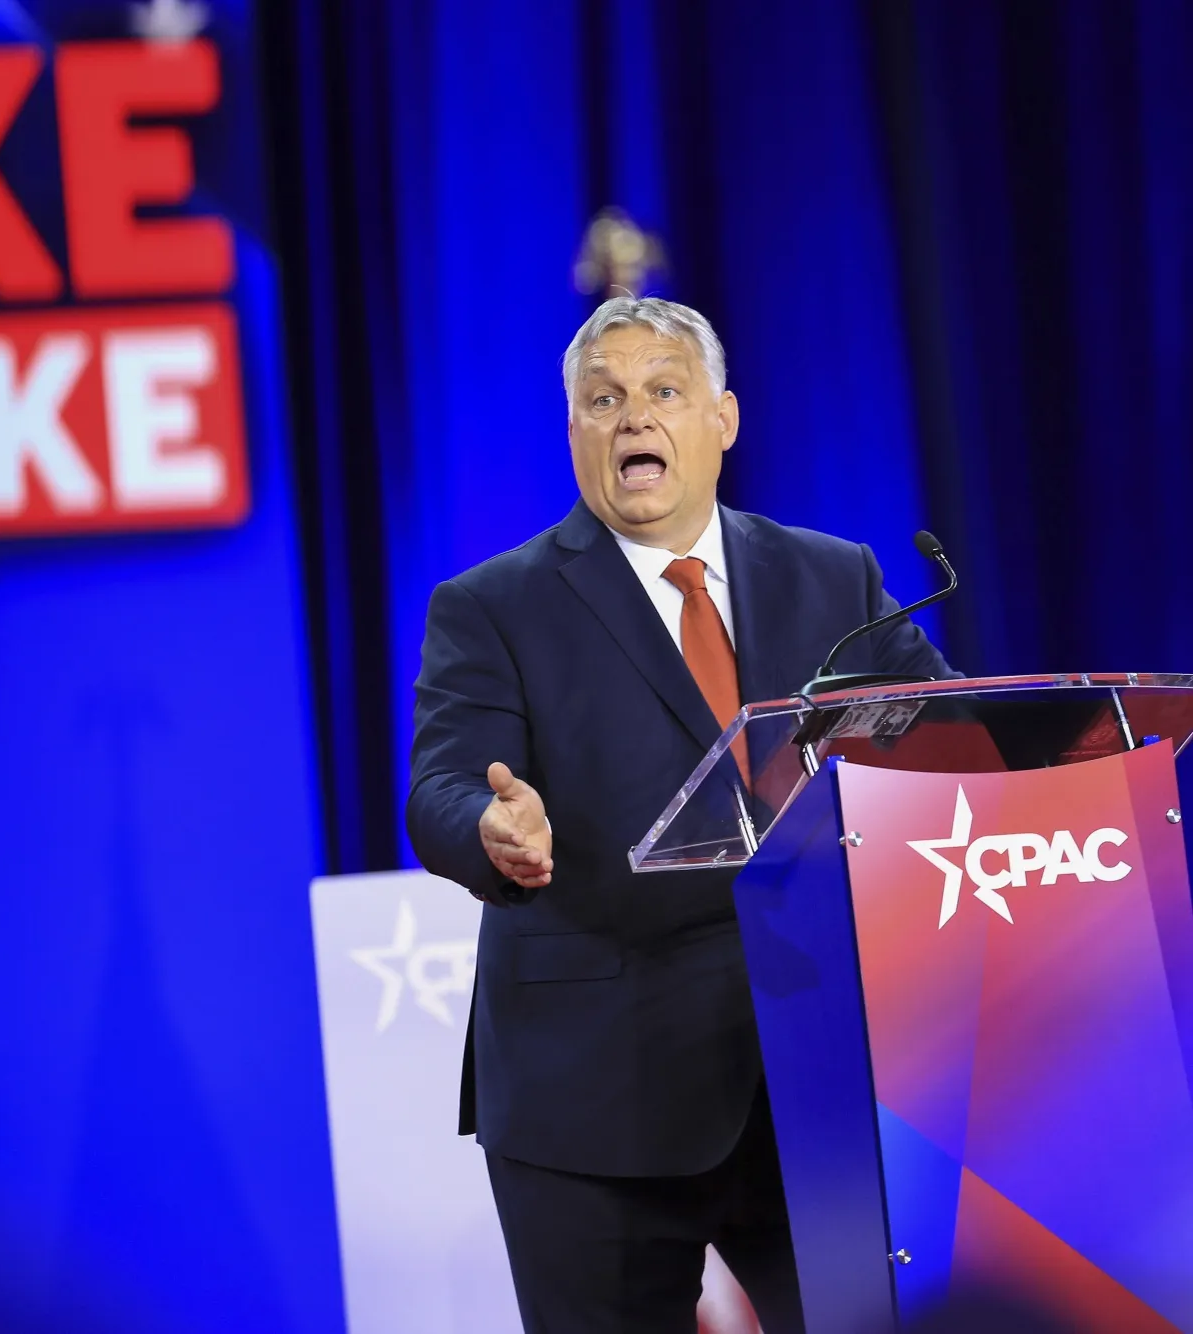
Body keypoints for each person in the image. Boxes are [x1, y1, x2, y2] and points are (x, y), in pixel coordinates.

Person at [406, 296, 954, 1333]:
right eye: (600, 399)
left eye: (661, 391)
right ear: (572, 429)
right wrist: (487, 823)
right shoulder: (490, 604)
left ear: (722, 418)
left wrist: (1060, 757)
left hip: (815, 1076)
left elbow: (947, 733)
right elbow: (437, 785)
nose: (630, 419)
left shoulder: (834, 573)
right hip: (591, 1097)